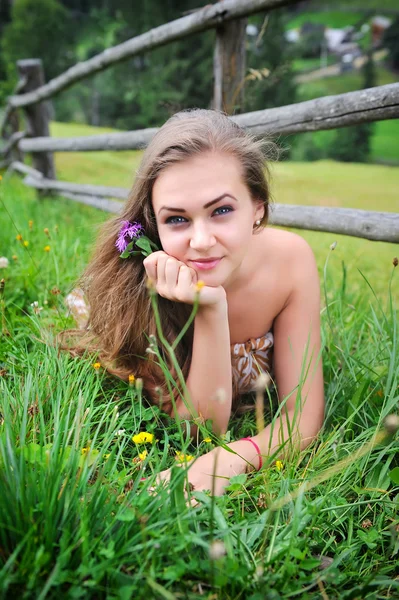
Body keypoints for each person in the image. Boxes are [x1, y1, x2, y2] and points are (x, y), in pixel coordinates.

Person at [65, 108, 324, 495]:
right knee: (90, 311)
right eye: (177, 219)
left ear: (258, 208)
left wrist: (228, 460)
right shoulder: (144, 288)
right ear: (154, 222)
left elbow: (302, 416)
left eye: (221, 211)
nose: (201, 241)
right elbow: (201, 429)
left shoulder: (290, 262)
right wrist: (209, 308)